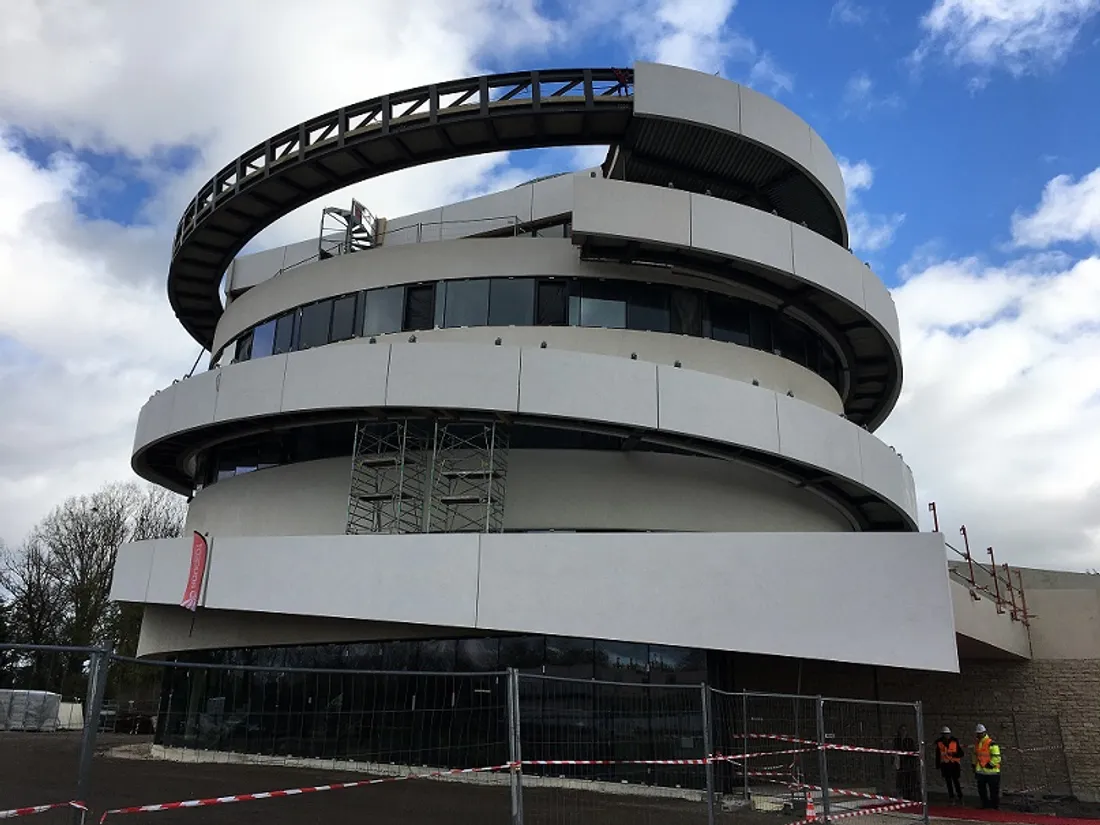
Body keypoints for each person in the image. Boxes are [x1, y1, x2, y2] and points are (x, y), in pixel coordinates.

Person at [973, 724, 1002, 809]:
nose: (978, 735)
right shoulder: (977, 743)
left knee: (994, 791)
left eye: (980, 733)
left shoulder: (991, 743)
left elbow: (997, 757)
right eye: (977, 733)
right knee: (982, 791)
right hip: (981, 771)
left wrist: (991, 764)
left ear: (984, 733)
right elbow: (975, 755)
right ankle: (985, 805)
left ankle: (995, 806)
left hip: (992, 772)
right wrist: (973, 764)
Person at [935, 726, 964, 803]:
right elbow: (938, 754)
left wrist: (954, 754)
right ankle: (951, 796)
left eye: (947, 734)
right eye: (944, 734)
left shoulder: (954, 741)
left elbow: (961, 753)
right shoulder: (939, 743)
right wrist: (937, 765)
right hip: (945, 764)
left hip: (954, 764)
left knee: (956, 781)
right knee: (948, 782)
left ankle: (960, 795)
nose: (946, 736)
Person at [894, 724, 920, 801]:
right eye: (902, 730)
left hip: (909, 763)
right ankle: (903, 795)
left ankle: (910, 796)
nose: (903, 732)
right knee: (901, 780)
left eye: (904, 730)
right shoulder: (897, 741)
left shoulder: (909, 740)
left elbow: (913, 751)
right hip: (900, 763)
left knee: (910, 780)